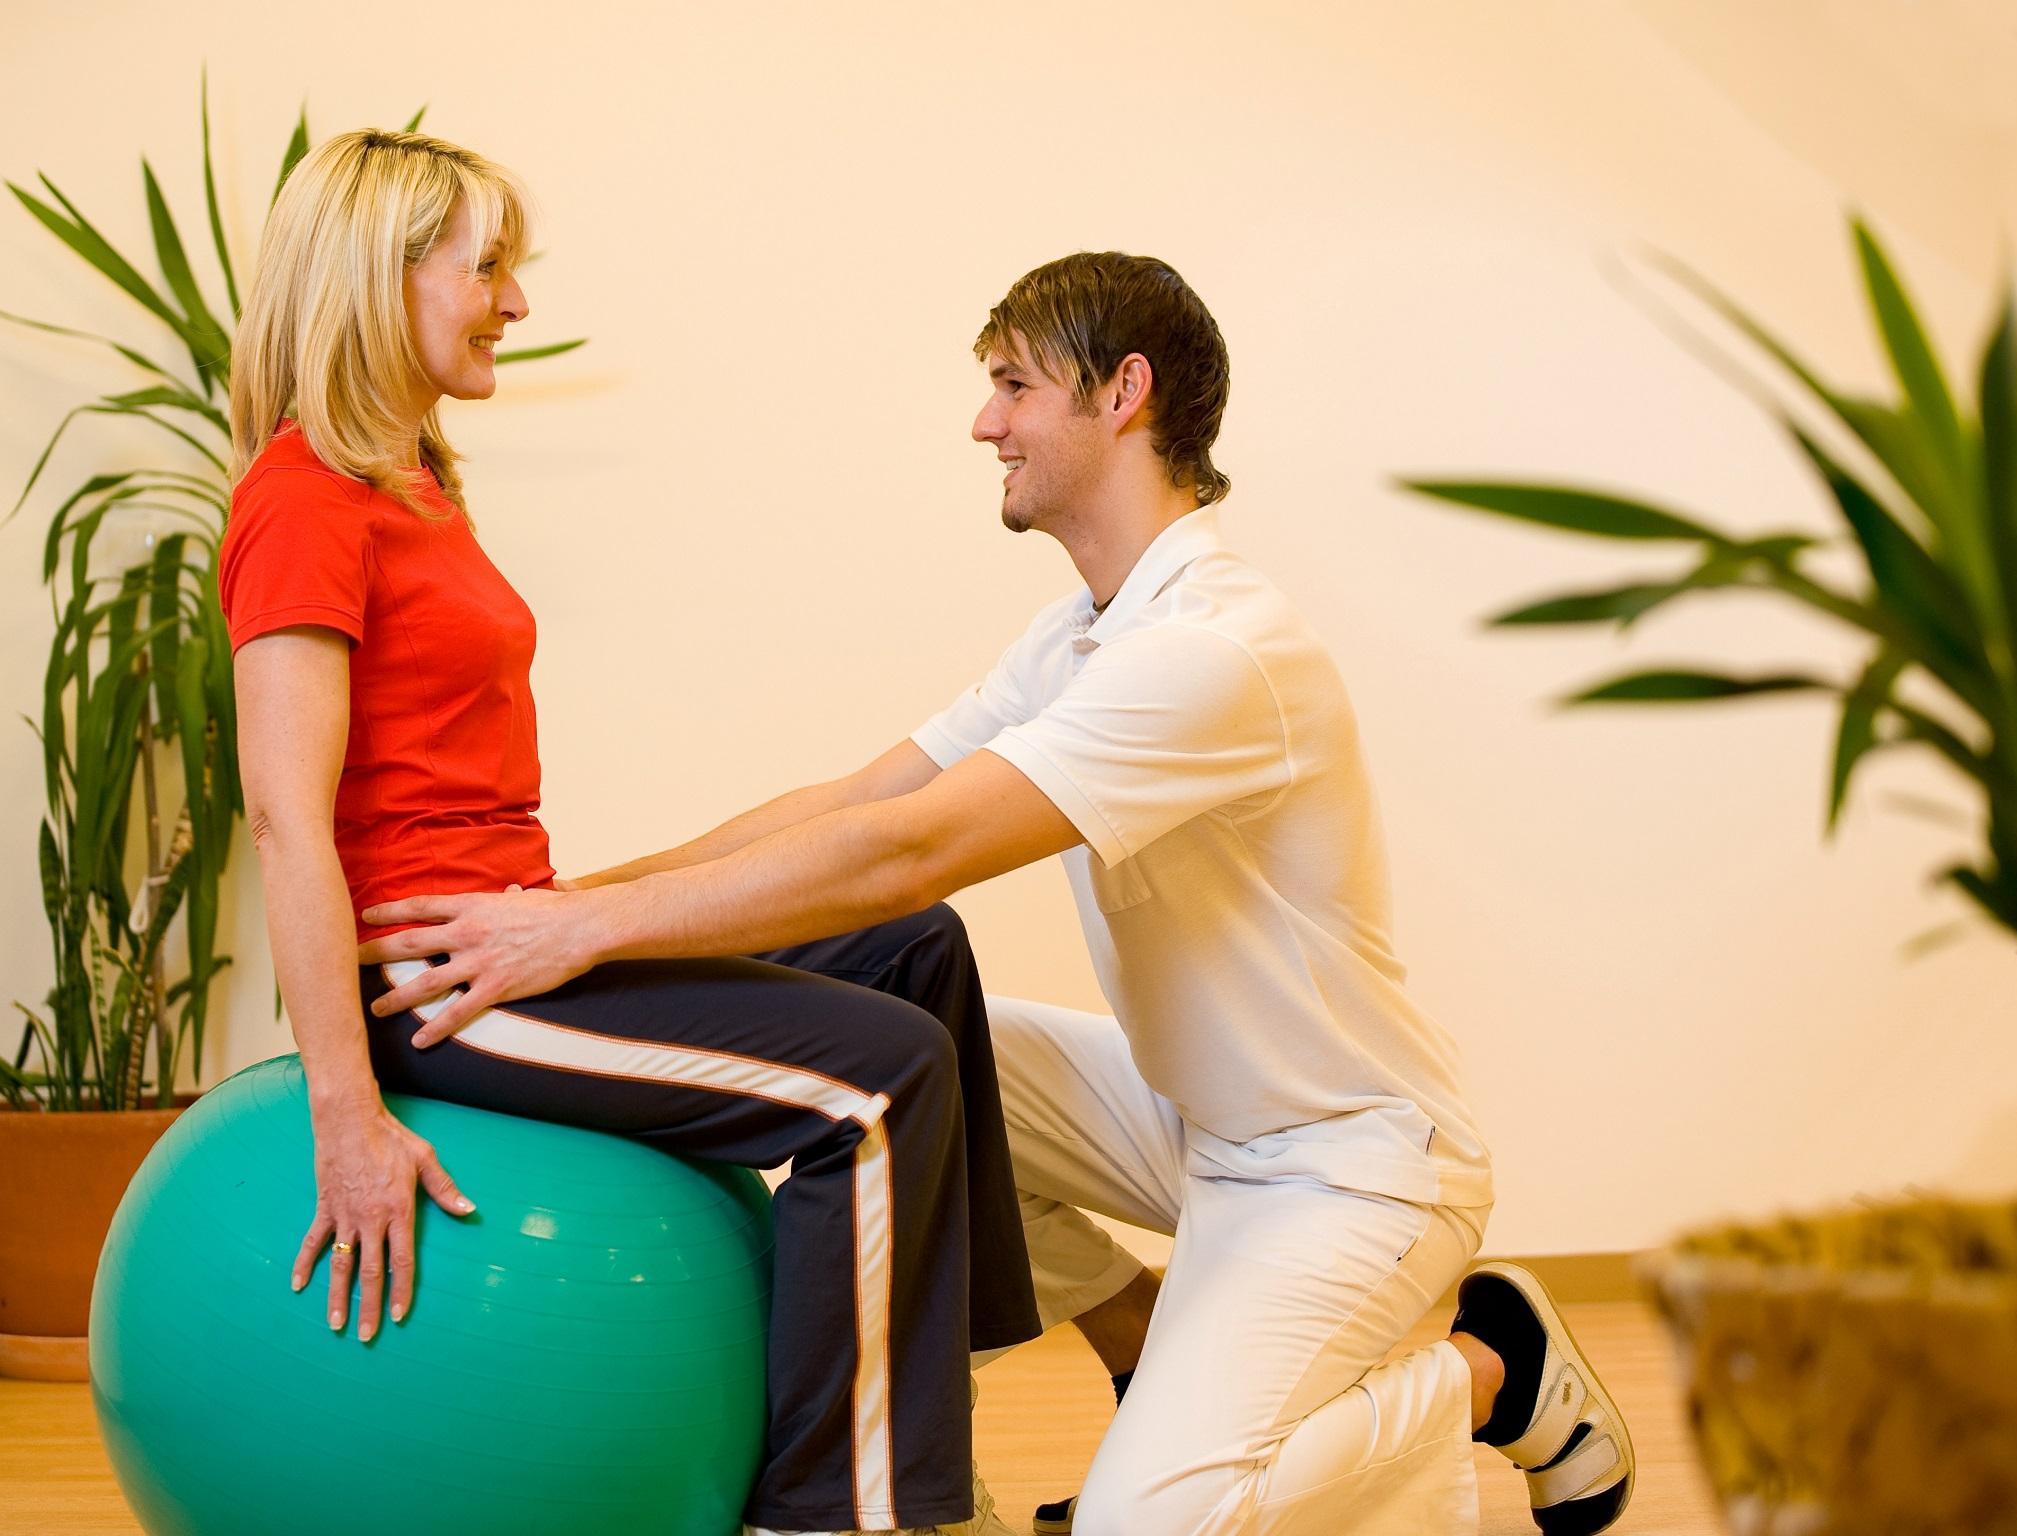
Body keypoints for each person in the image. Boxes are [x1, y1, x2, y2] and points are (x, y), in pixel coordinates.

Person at [362, 252, 1638, 1535]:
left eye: (1014, 385)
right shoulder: (1083, 632)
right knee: (927, 1055)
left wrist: (583, 930)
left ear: (1122, 392)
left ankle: (1493, 1370)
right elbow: (858, 800)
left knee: (1147, 1524)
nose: (986, 423)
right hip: (1187, 1113)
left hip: (1343, 1159)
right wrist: (559, 902)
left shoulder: (1211, 651)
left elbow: (906, 854)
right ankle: (1114, 1359)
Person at [221, 127, 1039, 1536]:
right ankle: (826, 1516)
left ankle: (923, 1411)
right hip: (435, 988)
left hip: (511, 936)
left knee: (915, 950)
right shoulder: (302, 500)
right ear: (378, 277)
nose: (515, 302)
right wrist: (345, 1114)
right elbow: (287, 821)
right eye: (488, 269)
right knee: (879, 1084)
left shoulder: (415, 485)